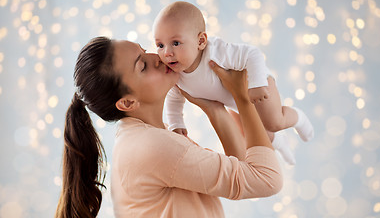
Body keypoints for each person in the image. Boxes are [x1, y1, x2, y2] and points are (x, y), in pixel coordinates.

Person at [55, 36, 283, 218]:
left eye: (144, 50)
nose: (157, 57)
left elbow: (244, 170)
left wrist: (213, 107)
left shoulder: (144, 137)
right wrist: (242, 96)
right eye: (142, 65)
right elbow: (266, 180)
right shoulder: (153, 147)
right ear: (127, 102)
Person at [153, 1, 314, 165]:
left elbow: (252, 53)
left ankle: (299, 118)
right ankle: (281, 143)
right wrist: (176, 123)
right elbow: (174, 98)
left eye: (175, 43)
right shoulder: (176, 75)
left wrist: (257, 83)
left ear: (201, 41)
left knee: (273, 122)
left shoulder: (216, 52)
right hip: (234, 102)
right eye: (160, 45)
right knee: (254, 135)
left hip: (256, 83)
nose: (166, 53)